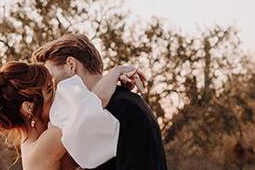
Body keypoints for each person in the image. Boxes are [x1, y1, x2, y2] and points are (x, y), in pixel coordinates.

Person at [0, 59, 143, 170]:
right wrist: (117, 71)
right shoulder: (46, 142)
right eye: (49, 92)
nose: (57, 98)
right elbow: (93, 103)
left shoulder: (33, 143)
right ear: (29, 108)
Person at [33, 34, 168, 170]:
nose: (54, 92)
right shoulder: (86, 117)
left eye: (53, 81)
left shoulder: (126, 107)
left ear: (71, 65)